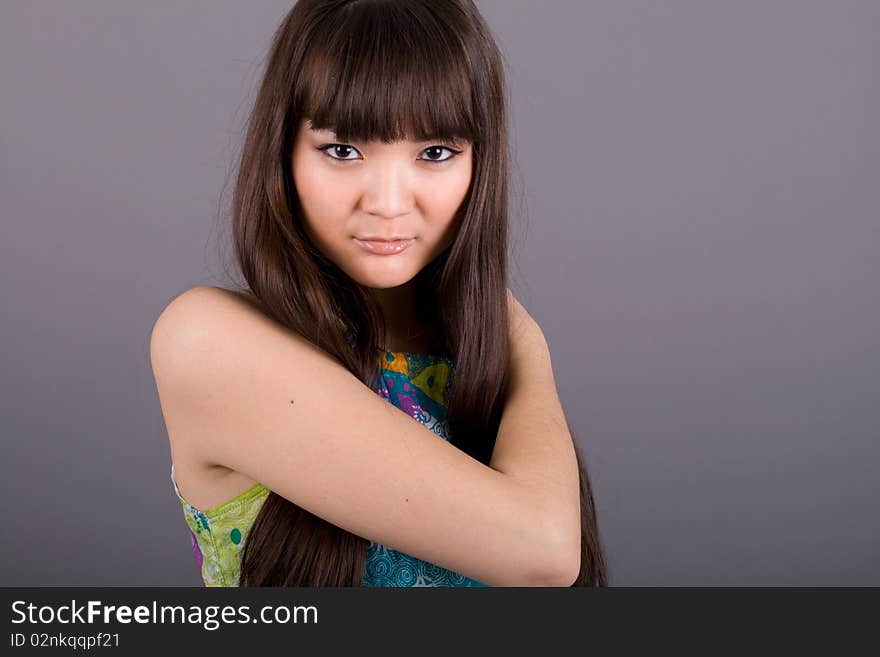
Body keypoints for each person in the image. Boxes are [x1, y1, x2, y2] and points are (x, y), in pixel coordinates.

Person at [150, 0, 607, 587]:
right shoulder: (209, 342)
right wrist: (529, 346)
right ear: (282, 153)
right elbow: (545, 551)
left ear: (480, 164)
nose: (389, 204)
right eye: (343, 150)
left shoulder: (478, 361)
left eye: (435, 153)